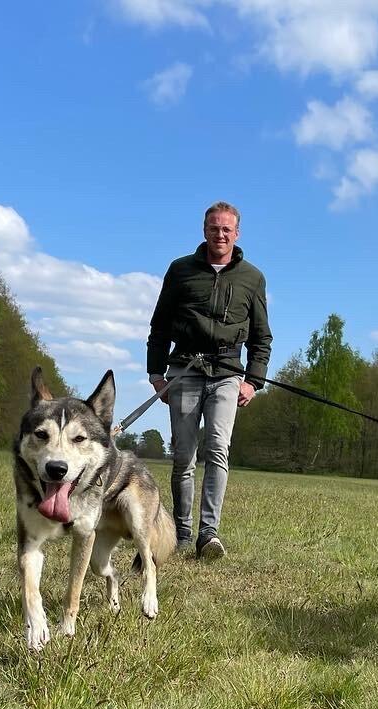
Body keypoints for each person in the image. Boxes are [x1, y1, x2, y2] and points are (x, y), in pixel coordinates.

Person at [146, 201, 272, 560]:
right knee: (184, 455)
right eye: (214, 228)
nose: (220, 234)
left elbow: (262, 337)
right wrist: (157, 374)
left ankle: (208, 536)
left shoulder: (252, 278)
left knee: (218, 449)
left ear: (237, 233)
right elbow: (159, 327)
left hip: (227, 374)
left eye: (226, 229)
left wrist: (253, 381)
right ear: (204, 231)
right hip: (184, 371)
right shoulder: (180, 270)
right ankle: (183, 534)